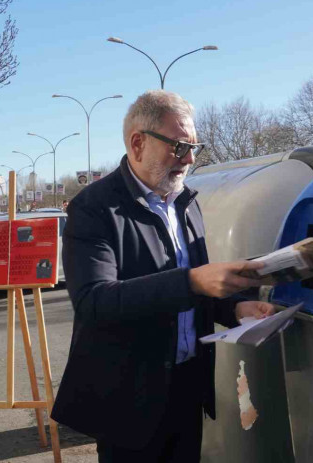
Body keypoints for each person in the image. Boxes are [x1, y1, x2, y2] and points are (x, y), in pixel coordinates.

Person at [51, 90, 275, 462]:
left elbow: (197, 291)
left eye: (193, 147)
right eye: (178, 146)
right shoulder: (94, 208)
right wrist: (191, 282)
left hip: (188, 388)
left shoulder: (185, 202)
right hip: (130, 400)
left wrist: (236, 308)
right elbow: (95, 301)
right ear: (138, 143)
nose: (188, 159)